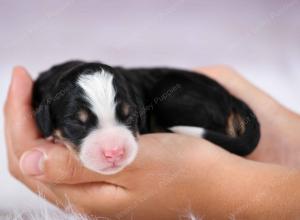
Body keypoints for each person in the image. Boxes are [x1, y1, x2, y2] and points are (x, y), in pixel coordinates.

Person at [4, 65, 300, 219]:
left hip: (202, 99)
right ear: (46, 120)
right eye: (78, 125)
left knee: (170, 96)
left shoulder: (142, 92)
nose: (112, 148)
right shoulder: (46, 98)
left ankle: (219, 135)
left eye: (126, 117)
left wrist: (222, 189)